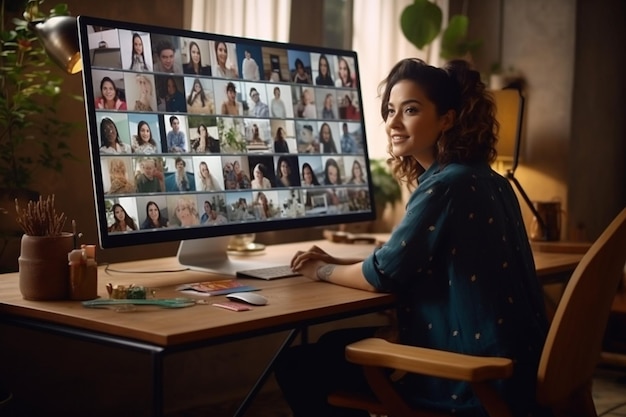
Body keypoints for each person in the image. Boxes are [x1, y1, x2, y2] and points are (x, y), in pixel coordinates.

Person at [275, 58, 550, 417]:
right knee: (331, 345)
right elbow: (407, 260)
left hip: (471, 380)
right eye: (390, 110)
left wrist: (319, 271)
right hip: (516, 373)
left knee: (301, 365)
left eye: (411, 110)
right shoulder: (488, 180)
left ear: (447, 119)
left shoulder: (446, 186)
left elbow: (383, 275)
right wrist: (337, 262)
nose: (393, 122)